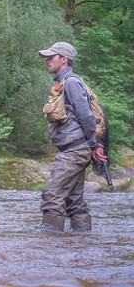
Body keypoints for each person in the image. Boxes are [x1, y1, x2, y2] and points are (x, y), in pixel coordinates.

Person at [38, 41, 107, 232]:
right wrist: (92, 146)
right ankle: (82, 241)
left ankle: (47, 243)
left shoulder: (72, 83)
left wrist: (94, 144)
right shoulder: (64, 84)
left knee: (53, 194)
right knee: (73, 200)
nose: (47, 61)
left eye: (51, 57)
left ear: (64, 59)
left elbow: (86, 116)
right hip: (77, 149)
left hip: (74, 150)